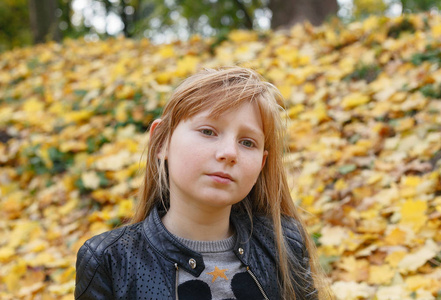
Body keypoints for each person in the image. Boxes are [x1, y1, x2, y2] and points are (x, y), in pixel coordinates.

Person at [75, 67, 332, 300]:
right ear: (161, 142)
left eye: (247, 142)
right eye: (208, 131)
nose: (229, 152)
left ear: (262, 163)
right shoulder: (110, 261)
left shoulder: (284, 243)